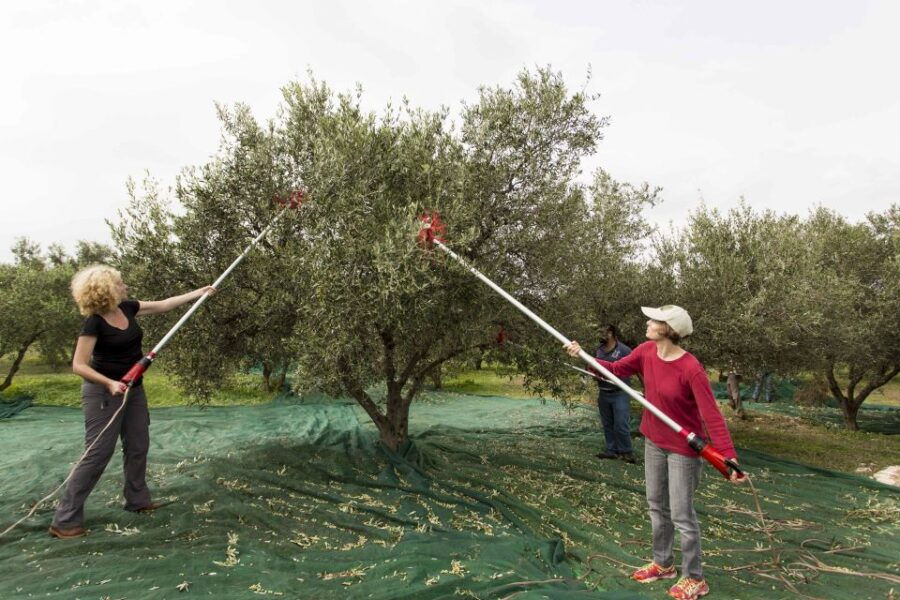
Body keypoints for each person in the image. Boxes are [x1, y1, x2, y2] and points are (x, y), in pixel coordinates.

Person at [565, 305, 743, 600]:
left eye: (654, 320)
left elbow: (711, 414)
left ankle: (695, 577)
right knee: (656, 505)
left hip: (683, 449)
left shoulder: (691, 368)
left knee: (682, 513)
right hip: (654, 441)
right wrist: (584, 356)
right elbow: (616, 370)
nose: (647, 323)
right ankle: (663, 563)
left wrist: (727, 455)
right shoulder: (646, 351)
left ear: (668, 329)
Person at [49, 265, 215, 539]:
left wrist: (199, 293)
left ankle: (137, 500)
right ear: (107, 289)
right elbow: (78, 365)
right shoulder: (94, 322)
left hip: (134, 390)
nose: (125, 286)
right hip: (103, 393)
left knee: (138, 445)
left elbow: (163, 305)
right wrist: (109, 382)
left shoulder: (127, 308)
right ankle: (64, 520)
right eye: (121, 283)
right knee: (98, 453)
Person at [593, 324, 635, 463]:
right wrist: (596, 376)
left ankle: (626, 451)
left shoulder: (624, 350)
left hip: (620, 393)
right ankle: (611, 450)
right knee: (607, 423)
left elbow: (637, 367)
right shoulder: (598, 350)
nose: (599, 336)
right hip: (604, 393)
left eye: (602, 332)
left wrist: (646, 385)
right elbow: (594, 369)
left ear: (610, 333)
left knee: (621, 423)